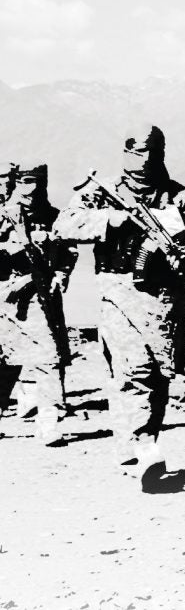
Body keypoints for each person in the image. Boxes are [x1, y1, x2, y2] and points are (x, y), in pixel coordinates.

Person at [55, 126, 185, 489]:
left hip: (165, 297)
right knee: (134, 370)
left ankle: (140, 443)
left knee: (160, 373)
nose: (145, 160)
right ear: (125, 153)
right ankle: (141, 450)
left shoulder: (178, 195)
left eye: (152, 152)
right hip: (119, 290)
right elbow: (64, 224)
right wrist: (108, 221)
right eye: (137, 152)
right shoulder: (103, 191)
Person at [0, 162, 77, 445]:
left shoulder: (55, 217)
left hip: (40, 299)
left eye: (36, 182)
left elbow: (69, 249)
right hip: (5, 299)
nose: (29, 189)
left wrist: (61, 273)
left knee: (50, 358)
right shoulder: (4, 216)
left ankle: (48, 421)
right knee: (5, 362)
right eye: (24, 181)